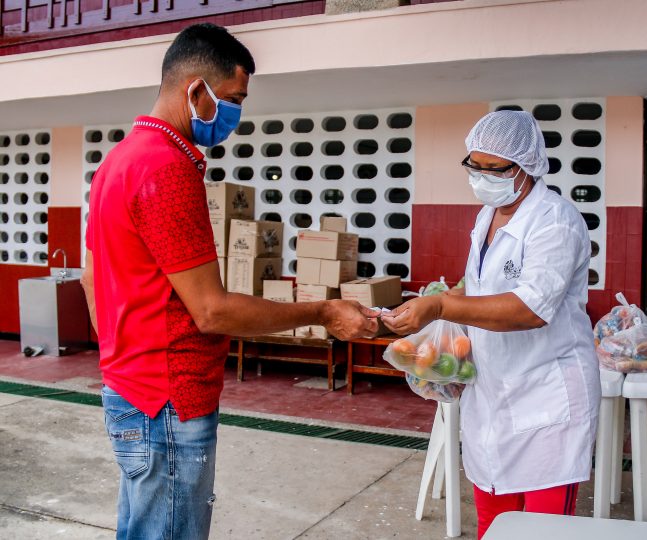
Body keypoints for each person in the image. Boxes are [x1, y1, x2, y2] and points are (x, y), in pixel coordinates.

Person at [80, 23, 378, 540]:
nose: (236, 115)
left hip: (131, 390)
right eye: (234, 99)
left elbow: (90, 277)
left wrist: (122, 359)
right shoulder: (165, 166)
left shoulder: (118, 161)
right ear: (196, 90)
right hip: (169, 403)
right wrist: (322, 313)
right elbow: (212, 311)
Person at [382, 111, 600, 538]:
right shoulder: (488, 216)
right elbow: (478, 293)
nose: (482, 178)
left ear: (527, 166)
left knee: (542, 530)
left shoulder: (555, 222)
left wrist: (443, 308)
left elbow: (528, 310)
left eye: (494, 169)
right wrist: (438, 336)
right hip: (493, 395)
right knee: (493, 523)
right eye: (474, 166)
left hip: (546, 398)